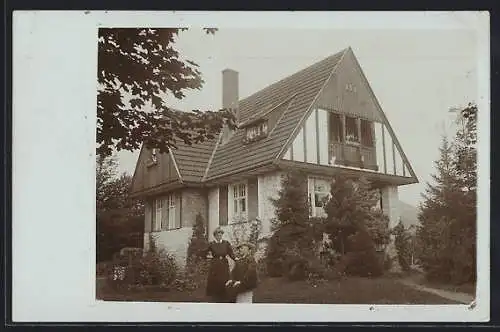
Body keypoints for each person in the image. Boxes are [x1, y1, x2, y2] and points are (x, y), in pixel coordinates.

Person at [205, 227, 237, 303]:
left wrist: (235, 259)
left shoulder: (226, 243)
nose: (219, 236)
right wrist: (207, 257)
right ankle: (216, 296)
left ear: (222, 235)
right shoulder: (211, 244)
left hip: (223, 263)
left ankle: (224, 295)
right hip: (215, 264)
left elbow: (230, 253)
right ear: (215, 236)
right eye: (217, 235)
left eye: (220, 234)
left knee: (224, 279)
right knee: (215, 280)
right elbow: (204, 252)